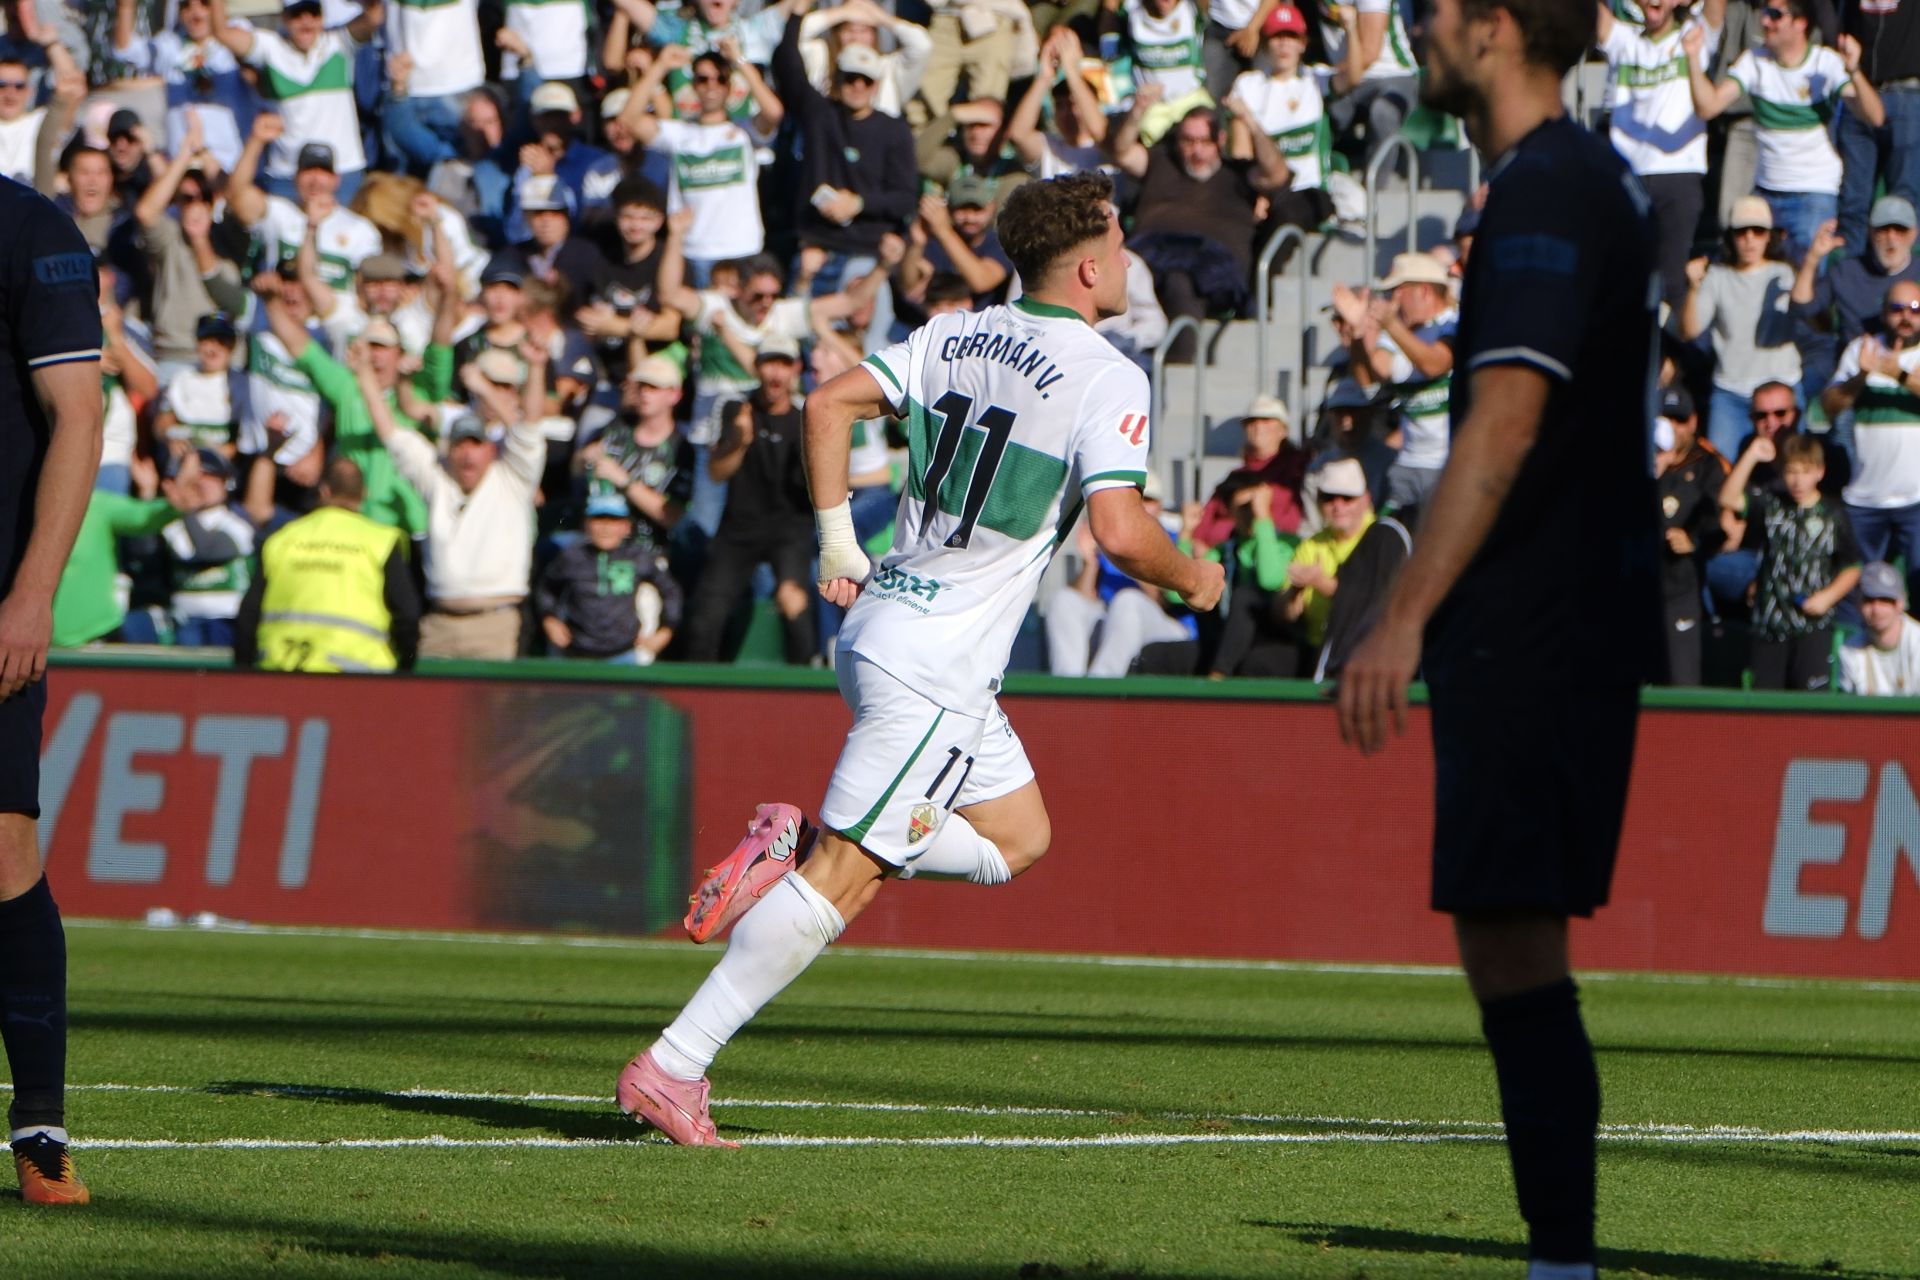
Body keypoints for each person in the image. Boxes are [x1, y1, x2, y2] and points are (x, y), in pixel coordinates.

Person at [614, 171, 1225, 1146]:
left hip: (894, 631)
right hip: (938, 662)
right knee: (847, 876)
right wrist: (1195, 577)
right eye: (1120, 238)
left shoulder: (954, 333)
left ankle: (801, 835)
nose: (1129, 259)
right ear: (1089, 261)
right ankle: (673, 1063)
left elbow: (826, 404)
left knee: (1016, 838)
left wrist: (836, 544)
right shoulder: (1110, 371)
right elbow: (1118, 528)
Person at [1336, 0, 1662, 1274]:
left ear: (1493, 26)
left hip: (1539, 617)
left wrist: (1404, 614)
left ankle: (1563, 1257)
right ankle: (1561, 1254)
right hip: (1557, 608)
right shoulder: (1577, 179)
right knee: (1507, 927)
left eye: (1432, 12)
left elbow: (1508, 417)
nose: (1417, 29)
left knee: (1512, 927)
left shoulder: (1544, 188)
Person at [0, 177, 108, 1206]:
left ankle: (39, 1123)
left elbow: (79, 414)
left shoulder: (31, 228)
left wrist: (32, 591)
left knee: (2, 849)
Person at [1683, 0, 1882, 264]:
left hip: (1813, 195)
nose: (1765, 21)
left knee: (1806, 284)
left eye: (1775, 15)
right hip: (1766, 193)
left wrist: (1854, 70)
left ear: (1800, 23)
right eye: (1765, 13)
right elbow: (1708, 108)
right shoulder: (1754, 62)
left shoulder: (1825, 63)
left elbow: (1875, 115)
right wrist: (1693, 59)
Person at [681, 337, 818, 664]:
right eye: (770, 363)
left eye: (784, 364)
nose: (776, 372)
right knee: (706, 615)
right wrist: (739, 440)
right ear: (757, 367)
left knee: (793, 601)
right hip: (739, 528)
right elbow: (717, 472)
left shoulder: (807, 417)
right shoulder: (734, 408)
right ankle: (698, 700)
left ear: (795, 369)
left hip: (789, 530)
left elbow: (818, 487)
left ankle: (808, 698)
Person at [1596, 0, 1729, 312]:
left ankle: (1672, 358)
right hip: (1629, 177)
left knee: (1672, 279)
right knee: (1625, 277)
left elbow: (1716, 8)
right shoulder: (1624, 40)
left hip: (1679, 173)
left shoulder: (1694, 34)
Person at [233, 457, 420, 672]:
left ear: (324, 491)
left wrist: (243, 670)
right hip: (359, 678)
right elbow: (407, 614)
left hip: (283, 672)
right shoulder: (381, 542)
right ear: (363, 494)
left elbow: (249, 614)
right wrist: (406, 666)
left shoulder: (282, 539)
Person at [1719, 432, 1862, 687]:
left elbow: (1852, 566)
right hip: (1770, 624)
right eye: (1791, 471)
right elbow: (1727, 498)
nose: (1797, 481)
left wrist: (1827, 597)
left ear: (1819, 472)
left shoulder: (1833, 514)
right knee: (1766, 708)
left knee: (1809, 709)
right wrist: (1751, 455)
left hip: (1812, 626)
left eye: (1805, 471)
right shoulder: (1771, 504)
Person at [209, 0, 383, 203]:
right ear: (285, 18)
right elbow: (222, 33)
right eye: (297, 14)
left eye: (313, 13)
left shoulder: (338, 43)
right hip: (287, 175)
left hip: (342, 171)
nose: (306, 20)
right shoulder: (270, 48)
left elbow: (375, 15)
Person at [1334, 252, 1457, 528]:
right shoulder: (1398, 331)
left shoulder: (1454, 323)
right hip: (1407, 466)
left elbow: (1435, 364)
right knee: (1391, 546)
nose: (1390, 301)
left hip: (1448, 466)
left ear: (1423, 290)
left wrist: (1391, 324)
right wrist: (1356, 334)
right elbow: (1369, 378)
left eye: (1396, 292)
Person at [1819, 277, 1920, 602]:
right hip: (1865, 499)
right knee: (1859, 595)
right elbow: (1830, 407)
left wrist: (1897, 374)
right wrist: (1861, 376)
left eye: (1916, 309)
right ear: (1883, 312)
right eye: (1897, 308)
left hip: (1916, 500)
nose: (1906, 316)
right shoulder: (1862, 350)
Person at [1682, 195, 1803, 458]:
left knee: (1791, 468)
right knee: (1721, 473)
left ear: (1769, 236)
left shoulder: (1785, 273)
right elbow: (1690, 331)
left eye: (1758, 231)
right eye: (1741, 232)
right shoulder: (1717, 276)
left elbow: (1813, 314)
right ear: (1731, 237)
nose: (1749, 239)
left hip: (1780, 394)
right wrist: (1693, 288)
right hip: (1730, 393)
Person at [536, 492, 683, 663]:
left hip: (625, 655)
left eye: (613, 520)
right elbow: (546, 588)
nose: (605, 527)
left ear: (626, 526)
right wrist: (549, 618)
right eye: (599, 519)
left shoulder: (637, 557)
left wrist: (666, 630)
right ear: (586, 524)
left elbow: (670, 590)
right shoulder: (571, 557)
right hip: (577, 655)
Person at [1653, 384, 1727, 685]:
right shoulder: (1642, 459)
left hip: (1680, 584)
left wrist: (1693, 541)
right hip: (1637, 583)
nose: (1674, 427)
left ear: (1693, 422)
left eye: (1680, 420)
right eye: (1666, 419)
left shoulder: (1707, 463)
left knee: (1682, 678)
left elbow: (1719, 527)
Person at [1839, 560, 1920, 693]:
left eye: (1885, 600)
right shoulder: (1850, 650)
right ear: (1858, 605)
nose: (1876, 609)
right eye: (1869, 600)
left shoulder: (1917, 643)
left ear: (1900, 604)